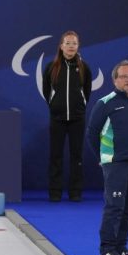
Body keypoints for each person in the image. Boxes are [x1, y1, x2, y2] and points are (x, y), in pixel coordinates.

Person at [86, 60, 128, 255]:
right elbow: (92, 133)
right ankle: (106, 249)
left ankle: (121, 247)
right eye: (123, 76)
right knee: (114, 207)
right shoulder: (105, 103)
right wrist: (104, 160)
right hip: (116, 165)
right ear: (115, 80)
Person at [42, 31, 92, 202]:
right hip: (57, 119)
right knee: (55, 155)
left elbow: (87, 91)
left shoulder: (84, 68)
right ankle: (55, 192)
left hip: (78, 119)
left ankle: (75, 192)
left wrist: (80, 107)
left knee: (76, 156)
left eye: (74, 43)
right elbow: (46, 91)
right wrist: (55, 106)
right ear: (61, 46)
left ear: (78, 46)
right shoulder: (51, 67)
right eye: (68, 43)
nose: (71, 46)